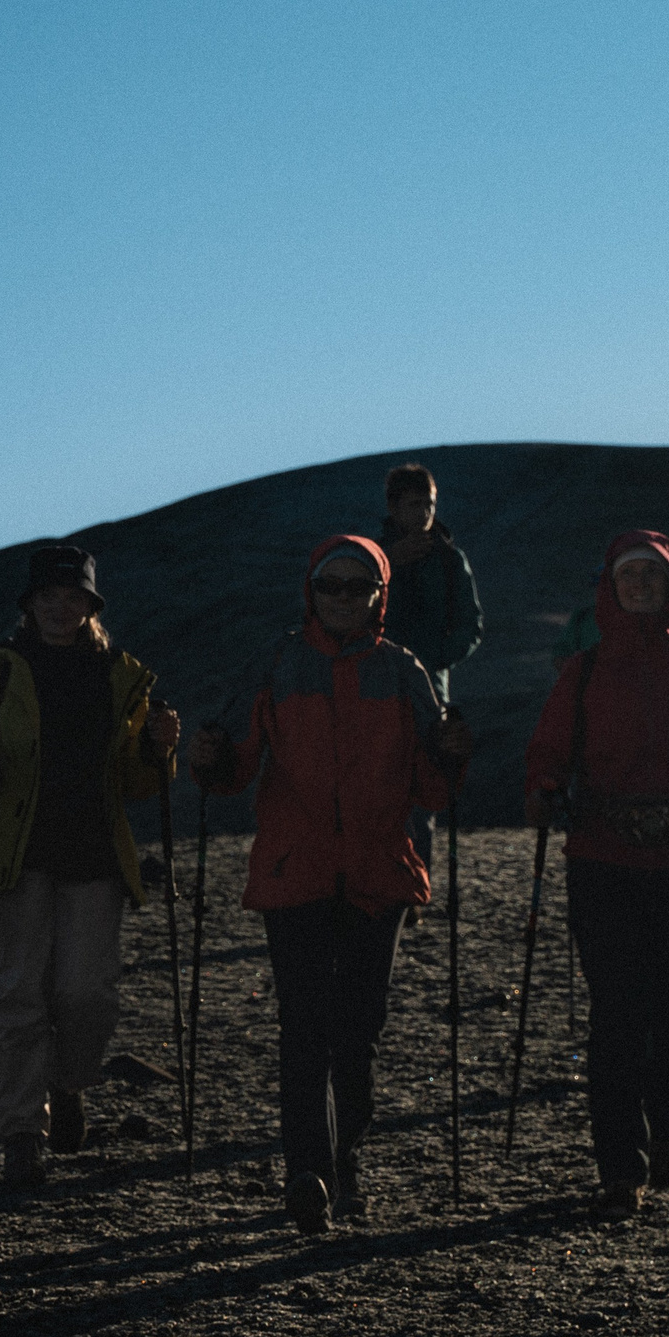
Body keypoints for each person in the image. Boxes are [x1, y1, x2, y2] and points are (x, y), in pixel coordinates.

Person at [190, 536, 472, 1229]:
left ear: (380, 593)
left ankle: (341, 1162)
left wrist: (450, 755)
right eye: (330, 585)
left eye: (357, 586)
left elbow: (432, 789)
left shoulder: (404, 671)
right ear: (310, 590)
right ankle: (309, 1171)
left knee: (358, 1028)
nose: (343, 597)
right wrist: (210, 758)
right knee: (305, 1028)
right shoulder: (279, 663)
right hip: (299, 873)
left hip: (379, 874)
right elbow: (232, 769)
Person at [524, 530, 669, 1217]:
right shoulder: (585, 673)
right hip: (605, 858)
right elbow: (548, 752)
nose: (639, 586)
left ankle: (655, 1127)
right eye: (628, 576)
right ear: (611, 586)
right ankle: (620, 1163)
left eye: (651, 576)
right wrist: (543, 789)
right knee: (620, 1011)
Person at [0, 546, 179, 1186]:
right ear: (30, 603)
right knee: (19, 994)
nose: (59, 605)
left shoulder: (119, 675)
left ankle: (70, 1081)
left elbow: (136, 782)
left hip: (94, 854)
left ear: (90, 606)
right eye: (48, 594)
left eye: (72, 595)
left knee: (87, 994)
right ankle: (22, 1132)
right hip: (17, 858)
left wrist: (160, 751)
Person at [375, 464, 483, 892]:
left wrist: (433, 661)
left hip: (430, 694)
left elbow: (471, 625)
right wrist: (387, 567)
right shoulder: (373, 557)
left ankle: (414, 886)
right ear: (394, 506)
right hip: (376, 687)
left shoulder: (449, 559)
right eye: (415, 503)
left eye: (430, 504)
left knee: (425, 786)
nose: (424, 513)